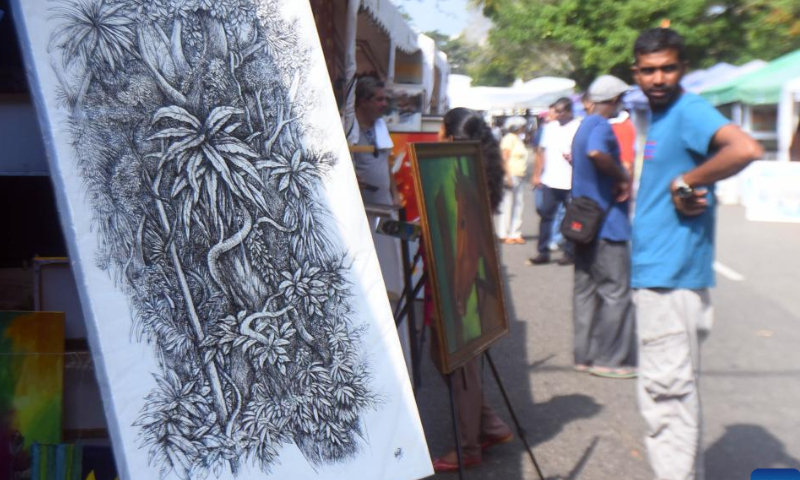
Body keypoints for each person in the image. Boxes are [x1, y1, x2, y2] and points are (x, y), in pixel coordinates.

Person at [631, 28, 762, 480]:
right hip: (663, 275)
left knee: (666, 400)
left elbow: (746, 148)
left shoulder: (688, 111)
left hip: (670, 279)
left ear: (682, 68)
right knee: (676, 399)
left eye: (668, 67)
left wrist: (686, 182)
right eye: (649, 70)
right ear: (636, 73)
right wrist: (687, 183)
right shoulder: (660, 119)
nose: (659, 78)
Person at [430, 107, 510, 473]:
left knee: (462, 365)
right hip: (459, 278)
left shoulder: (460, 176)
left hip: (460, 282)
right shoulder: (472, 170)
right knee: (447, 357)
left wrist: (459, 295)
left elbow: (462, 240)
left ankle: (468, 445)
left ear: (448, 136)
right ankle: (489, 424)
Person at [570, 75, 637, 379]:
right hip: (607, 224)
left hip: (583, 222)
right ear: (612, 100)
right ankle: (609, 359)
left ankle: (583, 355)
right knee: (615, 292)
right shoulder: (599, 126)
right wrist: (621, 175)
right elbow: (597, 153)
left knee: (585, 290)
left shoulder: (583, 125)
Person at [529, 97, 581, 265]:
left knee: (571, 218)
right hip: (550, 180)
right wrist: (537, 175)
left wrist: (575, 158)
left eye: (560, 111)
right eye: (555, 111)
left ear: (569, 111)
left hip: (571, 180)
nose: (557, 115)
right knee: (546, 216)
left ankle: (570, 252)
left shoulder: (578, 126)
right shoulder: (549, 128)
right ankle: (542, 252)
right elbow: (541, 153)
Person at [495, 116, 529, 244]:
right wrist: (507, 175)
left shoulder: (517, 139)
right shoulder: (509, 139)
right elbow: (504, 158)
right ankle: (505, 233)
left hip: (519, 174)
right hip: (511, 174)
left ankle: (515, 232)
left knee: (518, 204)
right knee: (508, 204)